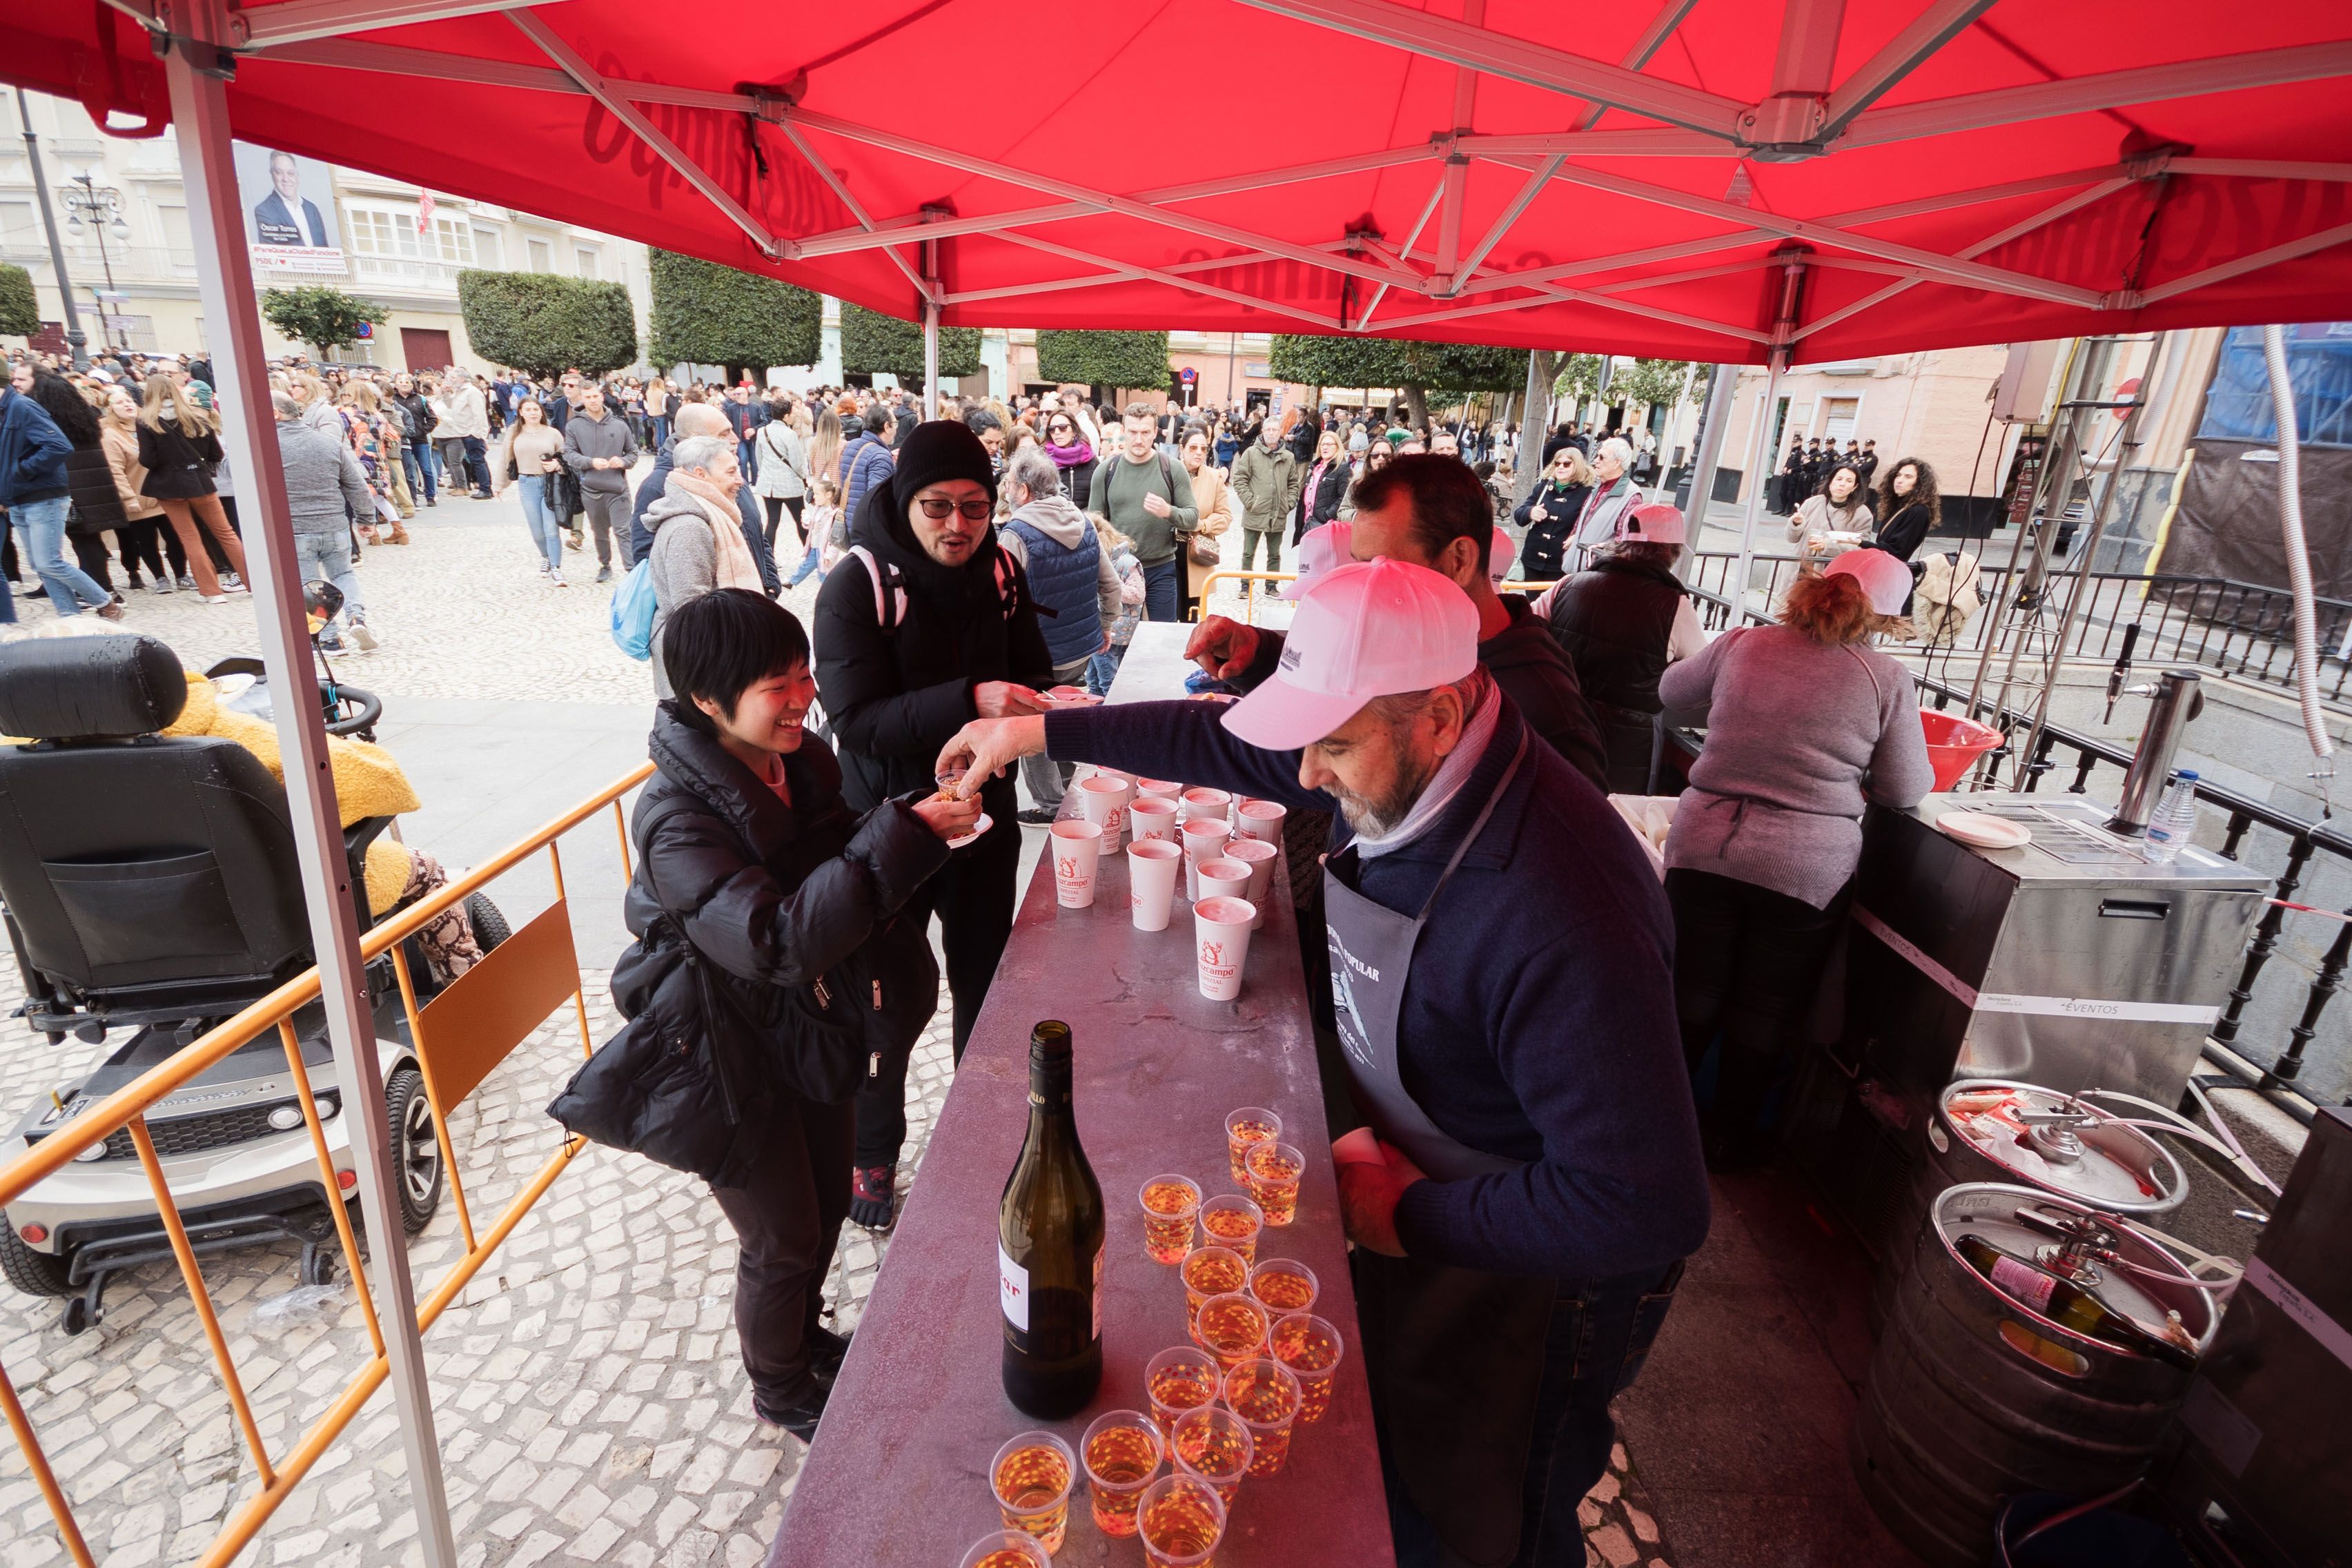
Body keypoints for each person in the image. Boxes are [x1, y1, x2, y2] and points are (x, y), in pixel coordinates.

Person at [939, 555, 1706, 1568]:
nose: (1307, 779)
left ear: (1440, 711)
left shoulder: (1563, 909)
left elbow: (1644, 1202)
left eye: (1332, 746)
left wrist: (1399, 1217)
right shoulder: (1417, 762)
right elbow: (1224, 741)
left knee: (1498, 1511)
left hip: (1549, 1275)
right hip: (1437, 1174)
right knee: (1406, 1457)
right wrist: (1039, 730)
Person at [608, 587, 975, 1437]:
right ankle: (779, 1387)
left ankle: (807, 1342)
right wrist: (898, 838)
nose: (804, 696)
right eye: (778, 684)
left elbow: (848, 866)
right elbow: (775, 941)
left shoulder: (803, 761)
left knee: (820, 1204)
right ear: (708, 699)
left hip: (807, 1031)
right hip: (722, 1052)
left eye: (804, 673)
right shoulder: (675, 819)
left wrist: (917, 825)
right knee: (780, 1239)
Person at [812, 421, 1052, 1228]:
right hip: (887, 829)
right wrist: (974, 700)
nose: (958, 525)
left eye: (975, 508)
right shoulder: (858, 583)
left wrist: (1024, 715)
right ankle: (870, 1155)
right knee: (885, 998)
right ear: (904, 501)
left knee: (987, 987)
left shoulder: (1005, 569)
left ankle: (979, 1140)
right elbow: (857, 719)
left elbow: (1036, 674)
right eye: (938, 507)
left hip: (984, 820)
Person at [1658, 549, 1932, 1166]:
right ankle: (1726, 1140)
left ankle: (1656, 1122)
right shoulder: (1884, 678)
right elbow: (1907, 788)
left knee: (1689, 990)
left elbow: (1673, 692)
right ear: (1884, 617)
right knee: (1764, 1004)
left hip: (1705, 844)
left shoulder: (1743, 643)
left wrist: (1743, 708)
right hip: (1804, 868)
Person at [1190, 454, 1609, 792]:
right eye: (1358, 564)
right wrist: (1261, 655)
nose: (1362, 583)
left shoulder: (1544, 708)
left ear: (1459, 560)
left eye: (1381, 565)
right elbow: (1353, 692)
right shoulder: (1412, 640)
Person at [1528, 504, 1706, 793]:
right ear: (1672, 552)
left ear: (1622, 542)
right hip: (1628, 746)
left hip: (1560, 723)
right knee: (1611, 821)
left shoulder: (1569, 585)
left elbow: (1528, 629)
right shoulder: (1675, 606)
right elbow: (1701, 674)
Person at [997, 445, 1121, 823]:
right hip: (1081, 647)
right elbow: (1111, 585)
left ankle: (1052, 805)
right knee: (1063, 713)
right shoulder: (1084, 522)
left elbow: (999, 601)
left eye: (1009, 483)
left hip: (1038, 652)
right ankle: (1068, 786)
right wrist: (1105, 626)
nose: (1005, 489)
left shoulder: (1015, 534)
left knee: (1032, 727)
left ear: (1023, 491)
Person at [641, 436, 768, 698]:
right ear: (701, 475)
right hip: (698, 666)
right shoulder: (690, 527)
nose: (740, 480)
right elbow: (691, 611)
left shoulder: (709, 516)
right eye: (731, 472)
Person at [1, 369, 117, 622]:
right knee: (40, 565)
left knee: (48, 562)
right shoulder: (6, 409)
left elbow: (59, 446)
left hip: (43, 496)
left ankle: (105, 602)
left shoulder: (21, 406)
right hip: (18, 499)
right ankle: (70, 616)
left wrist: (19, 471)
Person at [629, 404, 779, 597]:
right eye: (724, 434)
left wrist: (769, 582)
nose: (735, 439)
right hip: (717, 611)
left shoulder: (728, 473)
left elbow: (754, 529)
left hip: (753, 599)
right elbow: (646, 560)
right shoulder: (658, 485)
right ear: (695, 439)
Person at [272, 390, 381, 651]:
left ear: (275, 414)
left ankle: (330, 638)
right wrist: (367, 518)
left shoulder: (267, 447)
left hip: (297, 527)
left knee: (310, 584)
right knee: (344, 573)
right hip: (334, 523)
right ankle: (356, 617)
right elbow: (356, 485)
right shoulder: (328, 444)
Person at [136, 376, 248, 605]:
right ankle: (254, 582)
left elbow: (148, 460)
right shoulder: (197, 417)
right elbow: (216, 455)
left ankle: (211, 592)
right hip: (199, 480)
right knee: (226, 533)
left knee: (190, 537)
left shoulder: (146, 421)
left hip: (169, 485)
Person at [1087, 401, 1197, 625]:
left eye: (1145, 432)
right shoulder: (1106, 471)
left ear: (1155, 432)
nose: (1139, 439)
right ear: (1124, 432)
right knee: (1116, 643)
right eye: (1133, 432)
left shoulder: (1172, 468)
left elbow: (1193, 517)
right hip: (1118, 570)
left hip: (1161, 568)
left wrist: (1169, 511)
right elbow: (1094, 526)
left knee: (1161, 639)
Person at [99, 386, 174, 592]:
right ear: (110, 409)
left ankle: (182, 575)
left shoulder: (151, 424)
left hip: (162, 494)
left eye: (128, 401)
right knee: (141, 541)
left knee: (174, 537)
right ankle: (151, 576)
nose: (126, 404)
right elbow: (115, 470)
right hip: (136, 497)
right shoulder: (110, 435)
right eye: (119, 402)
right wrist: (128, 497)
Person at [562, 381, 636, 582]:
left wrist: (622, 461)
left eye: (595, 396)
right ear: (582, 399)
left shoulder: (619, 425)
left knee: (624, 531)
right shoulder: (574, 426)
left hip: (618, 489)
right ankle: (605, 565)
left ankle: (632, 571)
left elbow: (633, 453)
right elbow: (569, 454)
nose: (593, 401)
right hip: (592, 489)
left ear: (602, 397)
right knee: (600, 533)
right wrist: (590, 462)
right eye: (588, 397)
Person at [493, 395, 569, 586]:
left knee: (551, 529)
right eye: (528, 409)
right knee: (537, 530)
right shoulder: (514, 432)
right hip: (527, 483)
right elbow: (505, 458)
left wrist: (558, 465)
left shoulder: (552, 433)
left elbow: (567, 457)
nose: (533, 413)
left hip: (551, 483)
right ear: (521, 412)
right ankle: (546, 557)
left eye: (536, 409)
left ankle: (557, 568)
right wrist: (499, 484)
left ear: (541, 411)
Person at [1227, 407, 1297, 575]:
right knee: (1248, 553)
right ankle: (1245, 585)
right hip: (1255, 512)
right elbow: (1239, 479)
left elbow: (1294, 483)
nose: (1271, 433)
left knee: (1274, 554)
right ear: (1263, 431)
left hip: (1277, 512)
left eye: (1275, 429)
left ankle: (1271, 585)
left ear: (1280, 432)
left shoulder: (1288, 457)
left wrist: (1288, 504)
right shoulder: (1251, 453)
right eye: (1268, 429)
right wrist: (1251, 502)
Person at [1513, 447, 1591, 582]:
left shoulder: (1587, 492)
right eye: (1557, 463)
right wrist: (1530, 512)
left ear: (1577, 466)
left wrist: (1578, 536)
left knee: (1556, 603)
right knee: (1533, 602)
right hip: (1532, 560)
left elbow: (1590, 524)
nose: (1561, 467)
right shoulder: (1543, 487)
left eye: (1566, 464)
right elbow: (1519, 515)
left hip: (1560, 563)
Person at [1178, 424, 1231, 622]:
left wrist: (1203, 525)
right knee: (1165, 613)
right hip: (1167, 551)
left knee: (1191, 614)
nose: (1198, 453)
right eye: (1193, 448)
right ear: (1182, 448)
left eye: (1203, 448)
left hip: (1197, 553)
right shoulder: (1168, 471)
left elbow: (1225, 517)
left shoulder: (1214, 478)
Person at [753, 400, 810, 574]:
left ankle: (768, 560)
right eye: (792, 413)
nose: (794, 415)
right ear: (786, 415)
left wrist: (765, 473)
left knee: (772, 521)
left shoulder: (762, 431)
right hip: (789, 483)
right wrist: (804, 477)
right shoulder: (789, 434)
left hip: (768, 483)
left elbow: (759, 457)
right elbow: (797, 461)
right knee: (801, 520)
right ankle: (809, 557)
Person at [1572, 437, 1640, 548]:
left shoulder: (1631, 496)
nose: (1596, 461)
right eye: (1597, 456)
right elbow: (1581, 523)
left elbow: (1624, 542)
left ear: (1617, 462)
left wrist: (1597, 554)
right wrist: (1574, 538)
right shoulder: (1598, 489)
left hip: (1597, 563)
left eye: (1602, 457)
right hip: (1578, 562)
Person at [1787, 461, 1873, 548]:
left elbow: (1861, 547)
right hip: (1802, 559)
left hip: (1835, 561)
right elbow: (1792, 539)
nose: (1842, 484)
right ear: (1831, 482)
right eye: (1839, 479)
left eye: (1849, 481)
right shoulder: (1812, 503)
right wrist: (1796, 524)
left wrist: (1828, 546)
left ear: (1855, 487)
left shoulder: (1862, 513)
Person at [1872, 456, 1941, 564]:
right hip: (1882, 564)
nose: (1900, 480)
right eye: (1898, 475)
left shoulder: (1918, 511)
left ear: (1919, 483)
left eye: (1908, 477)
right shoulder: (1897, 504)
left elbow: (1896, 551)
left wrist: (1861, 543)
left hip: (1892, 569)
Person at [252, 150, 329, 246]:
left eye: (290, 173)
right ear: (272, 174)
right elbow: (273, 253)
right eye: (279, 173)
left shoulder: (312, 209)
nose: (286, 179)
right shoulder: (264, 210)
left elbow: (325, 248)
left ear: (297, 175)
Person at [1291, 426, 1349, 548]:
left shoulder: (1342, 468)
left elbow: (1343, 497)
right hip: (1307, 521)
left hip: (1324, 524)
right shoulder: (1316, 466)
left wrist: (1326, 515)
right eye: (1322, 444)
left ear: (1337, 447)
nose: (1325, 447)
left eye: (1329, 444)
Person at [444, 372, 493, 498]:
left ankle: (486, 489)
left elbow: (479, 414)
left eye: (453, 377)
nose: (450, 380)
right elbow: (450, 406)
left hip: (471, 432)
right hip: (462, 432)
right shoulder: (459, 392)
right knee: (474, 460)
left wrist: (477, 433)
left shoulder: (472, 392)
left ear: (461, 379)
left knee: (478, 460)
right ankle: (484, 488)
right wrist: (446, 392)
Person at [1041, 408, 1095, 510]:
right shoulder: (1043, 462)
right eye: (1052, 429)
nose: (1057, 432)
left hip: (1086, 520)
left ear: (1074, 431)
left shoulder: (1091, 459)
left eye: (1063, 428)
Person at [724, 383, 770, 480]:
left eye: (738, 394)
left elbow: (765, 421)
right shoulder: (731, 408)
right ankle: (745, 482)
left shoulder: (756, 407)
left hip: (753, 439)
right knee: (743, 460)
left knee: (754, 461)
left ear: (745, 394)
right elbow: (729, 424)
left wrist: (754, 429)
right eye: (735, 394)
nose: (736, 396)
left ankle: (755, 482)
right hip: (740, 439)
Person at [1337, 442, 1391, 520]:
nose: (1381, 458)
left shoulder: (1401, 484)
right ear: (1370, 458)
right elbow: (1342, 511)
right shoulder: (1358, 480)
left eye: (1386, 455)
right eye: (1375, 455)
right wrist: (1359, 516)